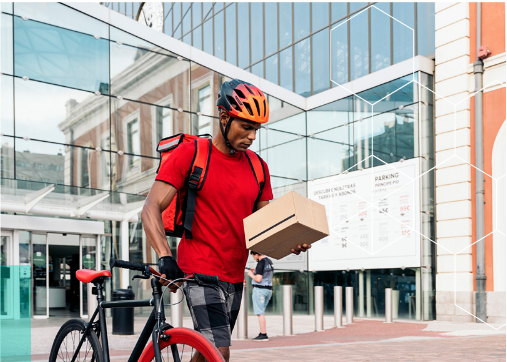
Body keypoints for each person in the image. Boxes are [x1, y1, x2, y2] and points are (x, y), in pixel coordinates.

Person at [141, 79, 311, 362]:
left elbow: (263, 227)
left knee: (207, 352)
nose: (252, 136)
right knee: (219, 352)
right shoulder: (192, 153)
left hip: (234, 276)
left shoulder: (259, 167)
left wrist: (290, 241)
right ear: (224, 117)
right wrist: (165, 256)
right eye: (246, 127)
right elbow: (150, 207)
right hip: (198, 271)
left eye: (256, 129)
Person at [247, 251, 274, 341]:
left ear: (256, 254)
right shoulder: (269, 261)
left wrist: (251, 274)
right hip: (268, 289)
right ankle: (262, 333)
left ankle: (263, 334)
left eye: (253, 256)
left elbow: (258, 279)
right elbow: (265, 274)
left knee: (260, 313)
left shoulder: (260, 263)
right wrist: (256, 272)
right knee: (261, 311)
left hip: (260, 290)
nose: (254, 258)